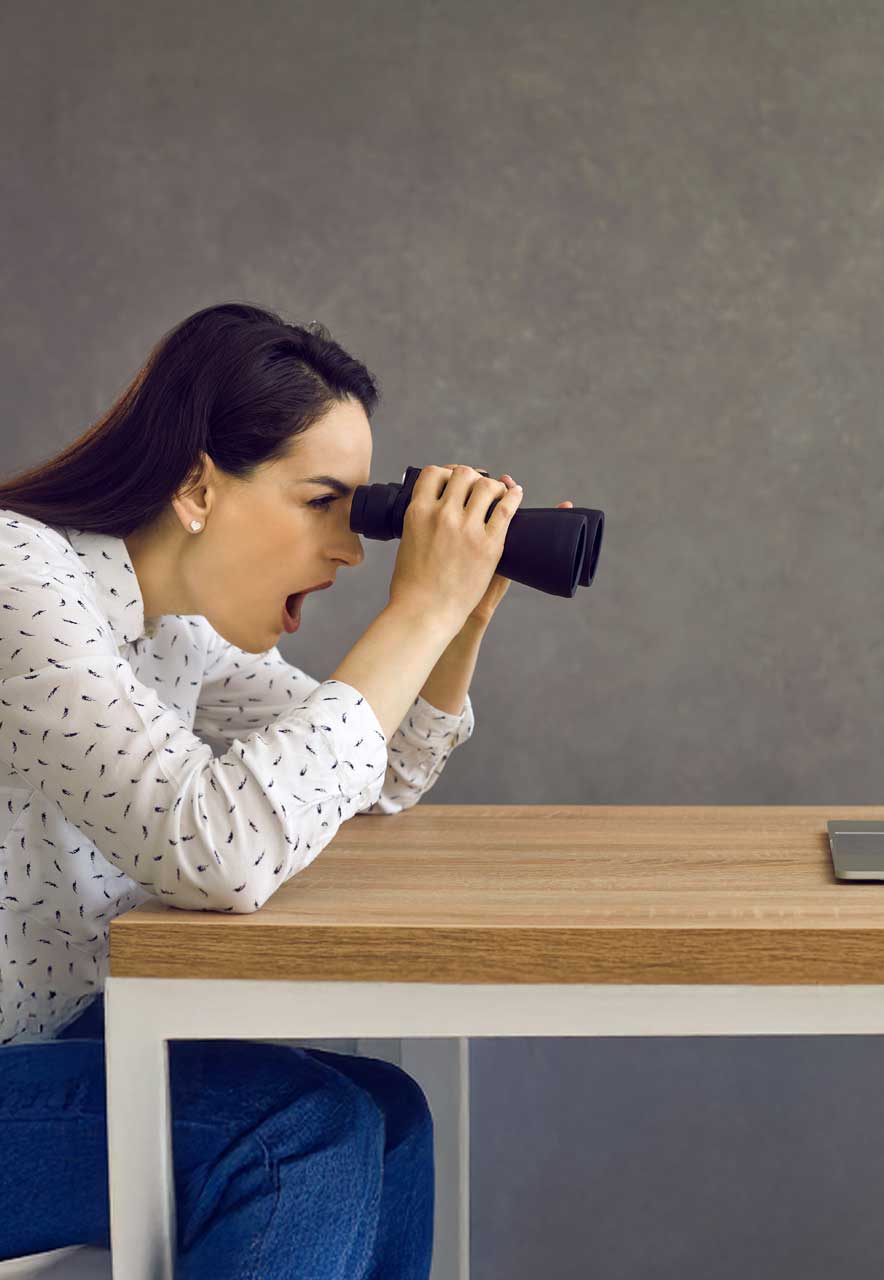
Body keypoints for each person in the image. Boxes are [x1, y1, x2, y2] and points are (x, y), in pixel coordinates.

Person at [0, 301, 561, 1277]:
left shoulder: (170, 628)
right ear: (197, 486)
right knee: (295, 1131)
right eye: (321, 502)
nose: (351, 548)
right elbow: (217, 847)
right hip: (23, 1060)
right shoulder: (18, 573)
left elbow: (365, 775)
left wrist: (453, 620)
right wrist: (416, 607)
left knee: (386, 1116)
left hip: (47, 1044)